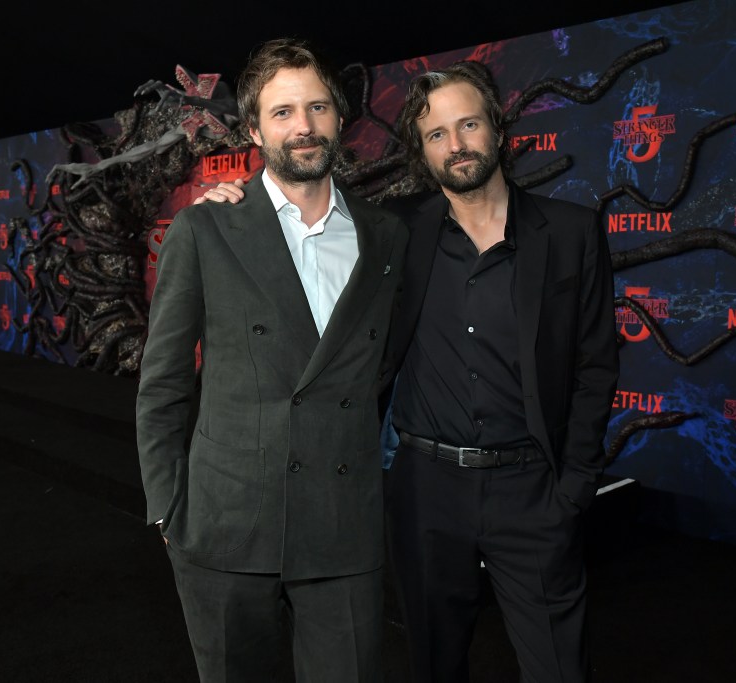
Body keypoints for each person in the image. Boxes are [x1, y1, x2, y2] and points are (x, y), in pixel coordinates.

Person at [200, 59, 618, 683]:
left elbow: (595, 364)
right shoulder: (395, 232)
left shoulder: (571, 232)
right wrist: (233, 201)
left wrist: (573, 487)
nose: (457, 145)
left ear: (497, 127)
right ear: (421, 152)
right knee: (433, 665)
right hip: (425, 493)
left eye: (468, 124)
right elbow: (301, 214)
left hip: (532, 490)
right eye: (436, 134)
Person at [136, 38, 408, 683]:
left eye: (317, 107)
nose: (303, 126)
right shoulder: (204, 229)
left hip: (342, 527)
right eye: (282, 112)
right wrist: (167, 508)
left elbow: (387, 369)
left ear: (340, 119)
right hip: (227, 524)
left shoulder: (386, 237)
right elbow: (163, 383)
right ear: (255, 130)